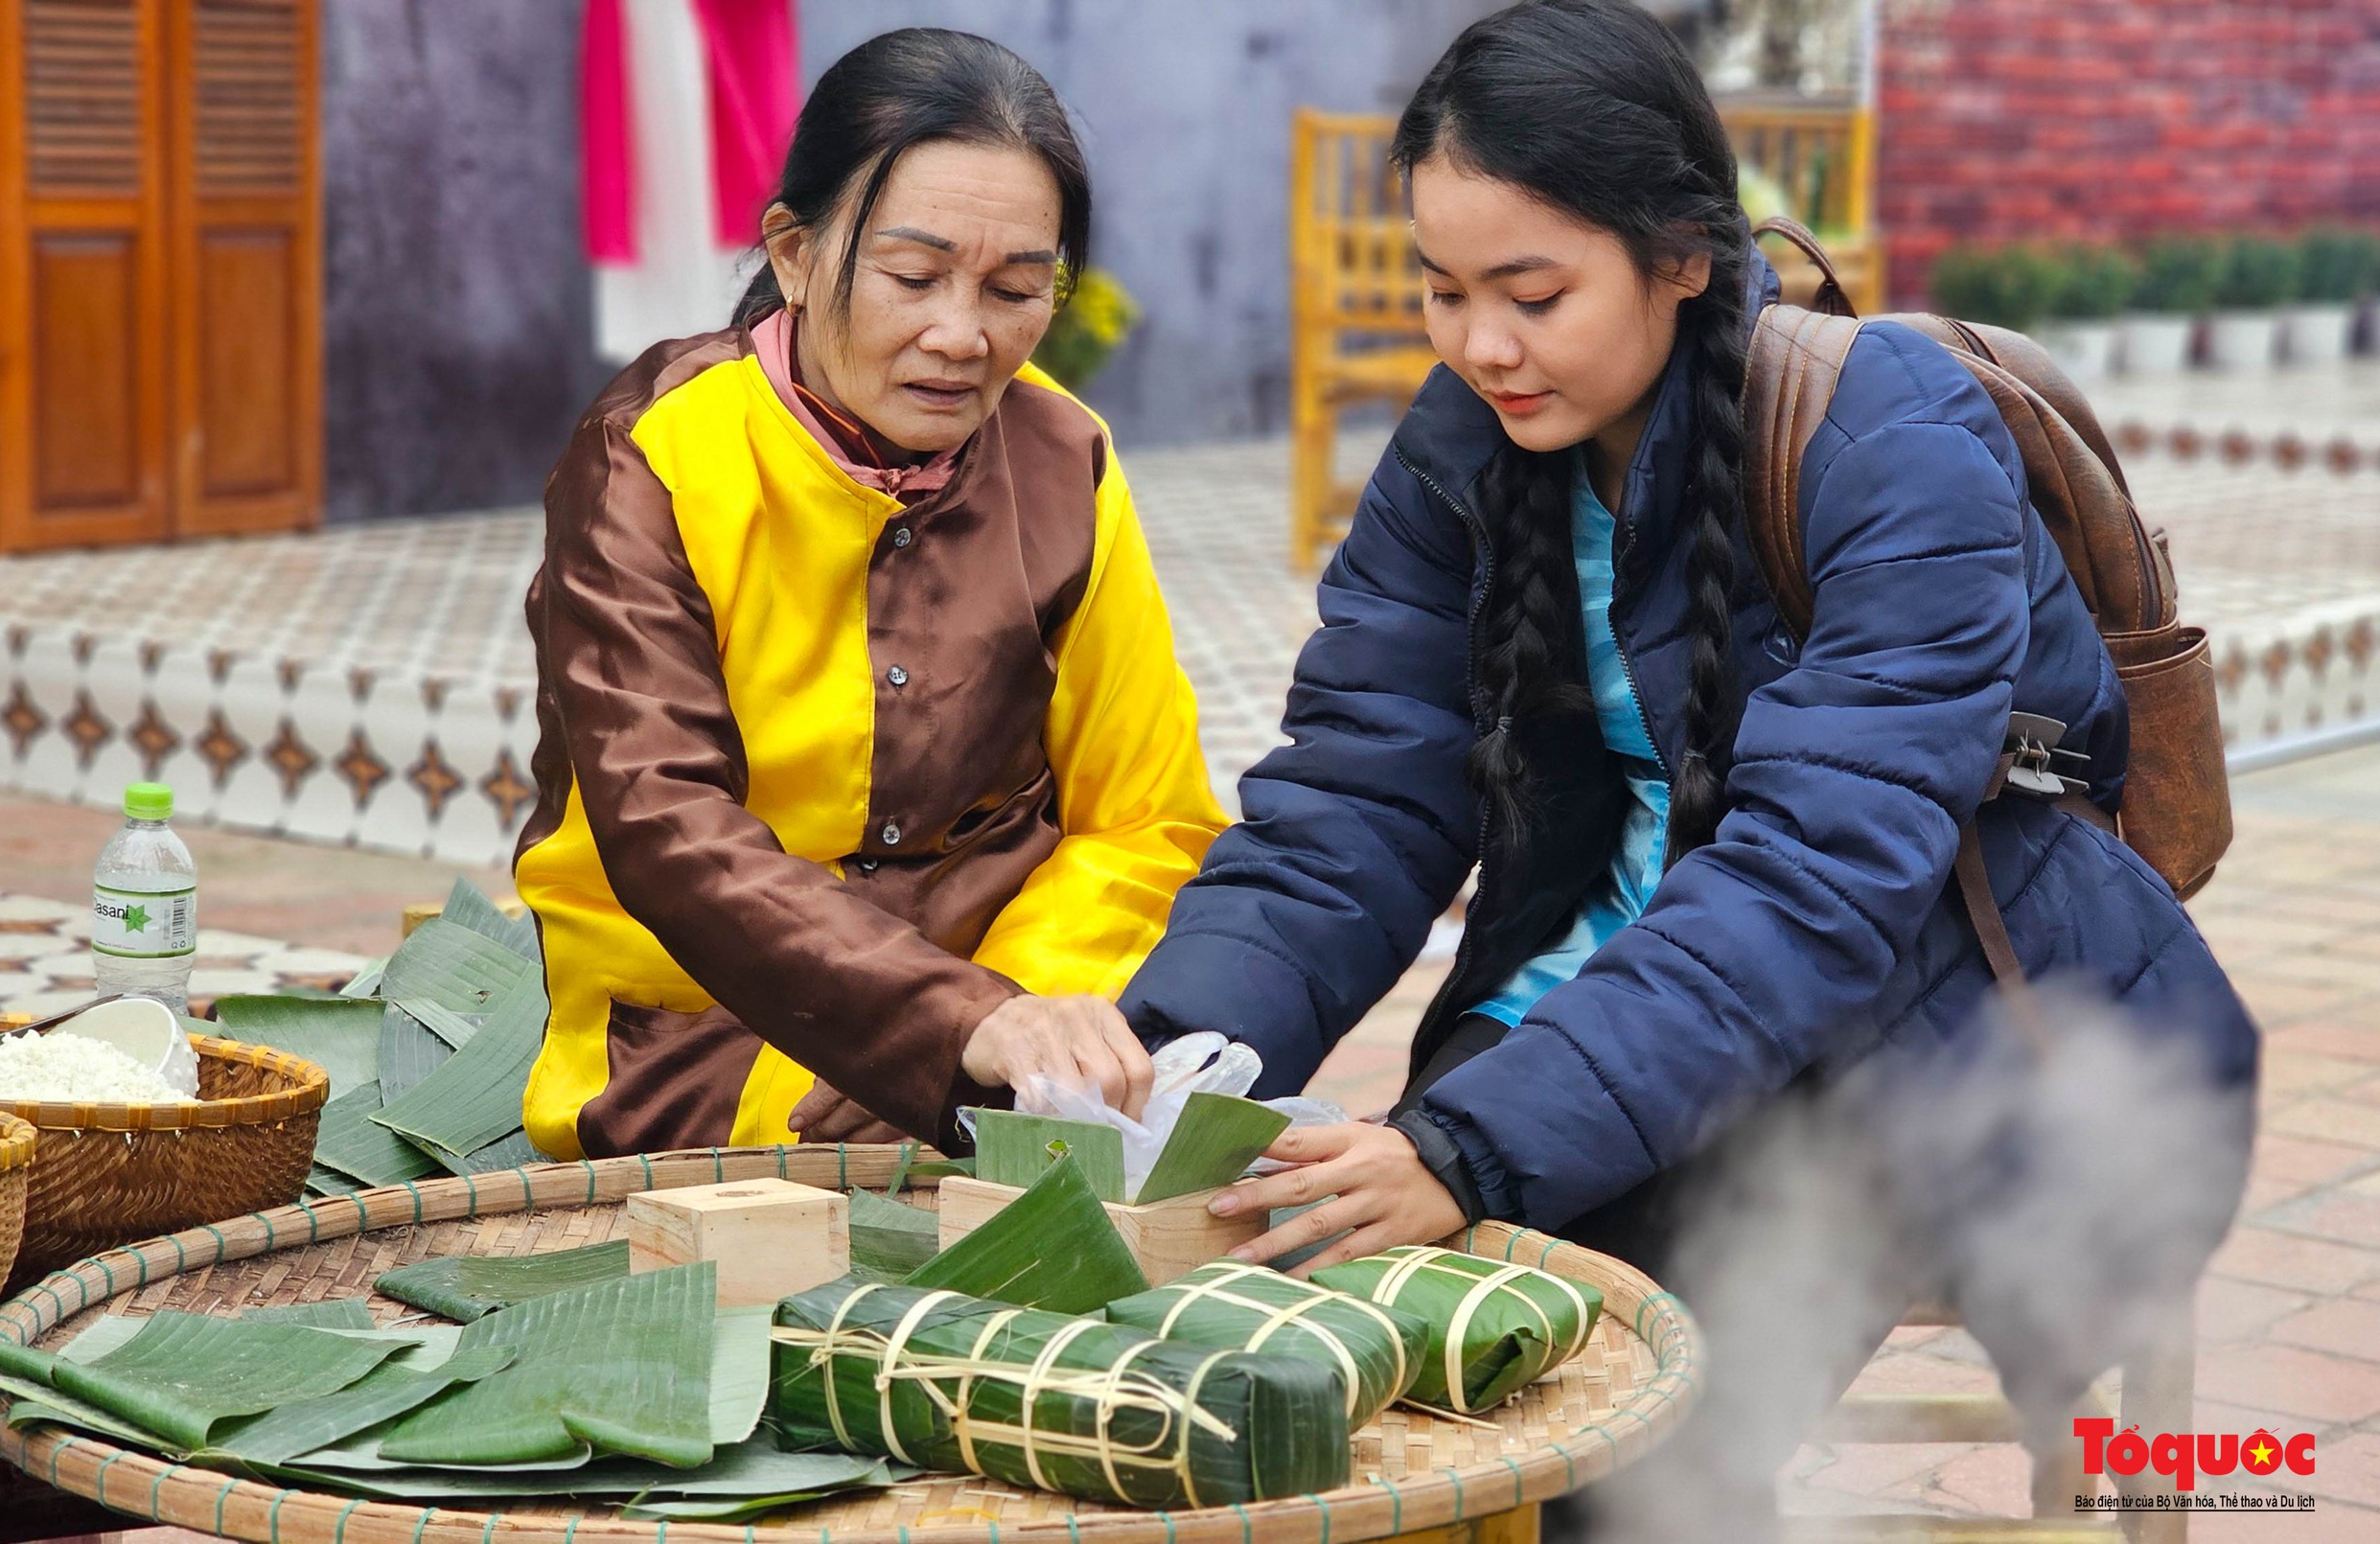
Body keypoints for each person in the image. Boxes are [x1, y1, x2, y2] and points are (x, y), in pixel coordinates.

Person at [1118, 0, 2257, 1525]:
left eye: (1532, 291)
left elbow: (1813, 886)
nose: (1480, 346)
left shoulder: (1890, 442)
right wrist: (1179, 1060)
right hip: (1617, 1018)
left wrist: (1467, 1144)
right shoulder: (1468, 446)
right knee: (1319, 1369)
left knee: (1590, 1451)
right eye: (1443, 291)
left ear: (1682, 257)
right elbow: (1357, 792)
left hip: (1931, 1031)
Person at [518, 29, 1226, 1163]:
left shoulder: (1064, 453)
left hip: (1017, 994)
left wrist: (1024, 1018)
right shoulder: (655, 456)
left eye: (1014, 288)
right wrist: (955, 1028)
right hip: (706, 1023)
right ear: (795, 255)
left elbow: (1148, 816)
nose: (962, 336)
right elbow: (668, 829)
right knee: (872, 1180)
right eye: (912, 277)